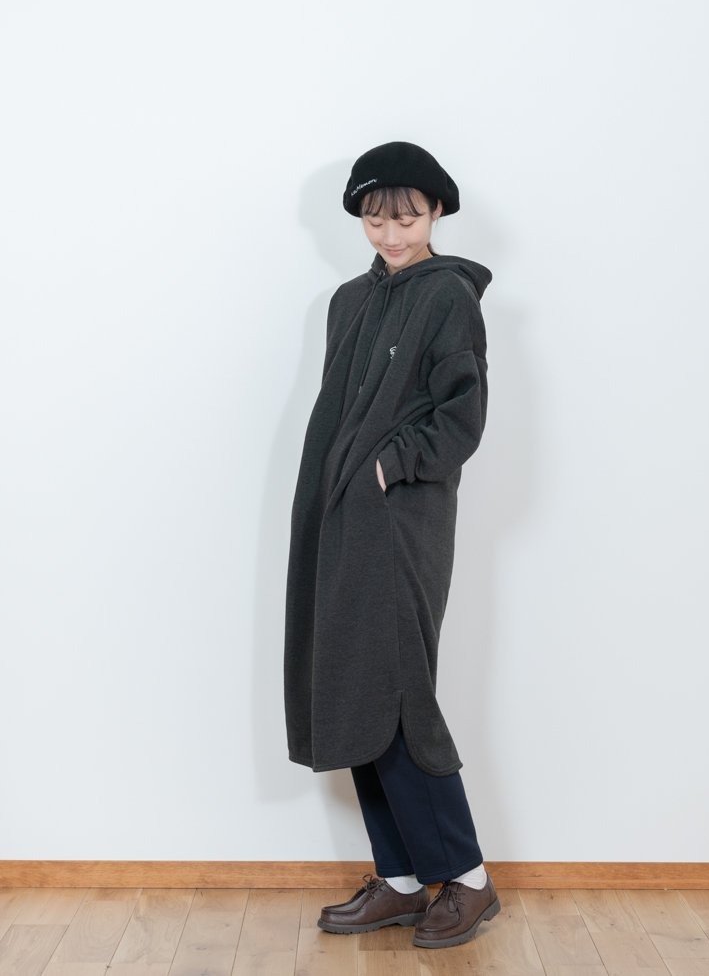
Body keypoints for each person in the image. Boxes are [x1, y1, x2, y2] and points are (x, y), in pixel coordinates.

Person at [283, 141, 499, 949]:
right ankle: (403, 879)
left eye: (406, 218)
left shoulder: (447, 296)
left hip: (402, 521)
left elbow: (461, 416)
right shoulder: (348, 301)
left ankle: (467, 879)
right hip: (340, 519)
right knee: (352, 687)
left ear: (436, 212)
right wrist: (336, 495)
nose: (391, 234)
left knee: (399, 691)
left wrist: (389, 466)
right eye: (375, 220)